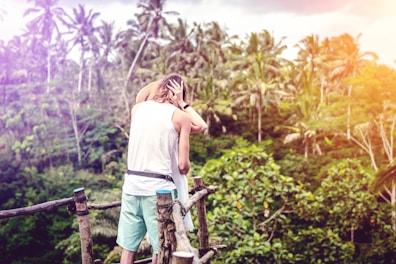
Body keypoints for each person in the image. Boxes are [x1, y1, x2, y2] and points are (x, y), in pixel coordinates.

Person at [116, 74, 194, 264]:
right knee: (162, 248)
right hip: (159, 190)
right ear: (179, 93)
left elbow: (143, 96)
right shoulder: (181, 118)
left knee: (128, 249)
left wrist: (160, 85)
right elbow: (183, 166)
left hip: (131, 186)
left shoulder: (137, 110)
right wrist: (182, 103)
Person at [136, 75, 207, 231]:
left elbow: (201, 126)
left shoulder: (178, 120)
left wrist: (180, 103)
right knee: (164, 232)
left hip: (166, 177)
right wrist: (180, 101)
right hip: (162, 176)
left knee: (167, 232)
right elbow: (201, 126)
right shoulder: (154, 116)